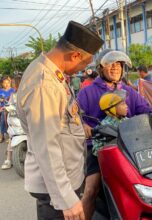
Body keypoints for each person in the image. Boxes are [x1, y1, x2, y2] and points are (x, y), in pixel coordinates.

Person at [16, 21, 103, 220]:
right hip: (56, 190)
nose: (84, 68)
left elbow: (61, 122)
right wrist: (65, 199)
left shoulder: (53, 74)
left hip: (65, 179)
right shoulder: (44, 85)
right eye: (84, 63)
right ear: (74, 55)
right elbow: (46, 146)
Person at [77, 49, 152, 220]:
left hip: (129, 147)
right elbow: (76, 116)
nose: (115, 68)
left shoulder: (129, 92)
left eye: (119, 65)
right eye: (111, 64)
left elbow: (146, 110)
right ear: (101, 67)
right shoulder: (87, 92)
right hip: (99, 150)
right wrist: (82, 125)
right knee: (91, 189)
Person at [92, 90, 128, 156]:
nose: (126, 106)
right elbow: (96, 150)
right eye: (122, 104)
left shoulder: (127, 121)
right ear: (111, 108)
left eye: (125, 103)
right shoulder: (103, 126)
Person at [1, 75, 22, 170]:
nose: (11, 85)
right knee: (11, 137)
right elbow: (9, 104)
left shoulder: (25, 93)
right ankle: (8, 159)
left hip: (25, 120)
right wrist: (6, 107)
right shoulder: (13, 95)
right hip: (16, 120)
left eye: (13, 83)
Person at [0, 76, 15, 142]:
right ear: (2, 84)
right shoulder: (0, 91)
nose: (6, 84)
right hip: (3, 108)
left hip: (11, 108)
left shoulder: (13, 90)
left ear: (10, 82)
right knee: (3, 120)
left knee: (10, 121)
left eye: (8, 83)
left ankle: (10, 136)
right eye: (5, 83)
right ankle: (2, 135)